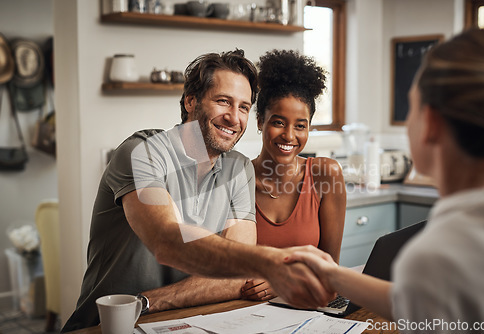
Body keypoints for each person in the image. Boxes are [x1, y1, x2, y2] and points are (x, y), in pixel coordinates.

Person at [62, 49, 333, 332]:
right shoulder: (142, 153)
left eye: (243, 107)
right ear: (191, 101)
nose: (234, 117)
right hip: (105, 326)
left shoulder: (239, 169)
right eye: (223, 102)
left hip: (183, 322)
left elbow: (237, 272)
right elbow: (166, 241)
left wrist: (147, 301)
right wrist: (271, 262)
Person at [287, 28, 484, 332]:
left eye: (411, 106)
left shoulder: (437, 255)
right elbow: (421, 302)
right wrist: (333, 275)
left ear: (431, 124)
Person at [240, 50, 346, 301]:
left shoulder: (325, 175)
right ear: (259, 121)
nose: (289, 136)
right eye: (278, 122)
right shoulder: (237, 178)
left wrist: (280, 281)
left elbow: (330, 271)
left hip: (308, 308)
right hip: (244, 310)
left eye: (300, 125)